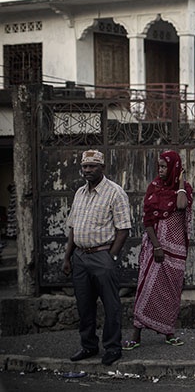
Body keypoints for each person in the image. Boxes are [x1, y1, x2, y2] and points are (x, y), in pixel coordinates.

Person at [62, 149, 131, 366]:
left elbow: (123, 229)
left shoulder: (115, 192)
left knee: (111, 306)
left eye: (92, 166)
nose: (87, 170)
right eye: (84, 166)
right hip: (80, 258)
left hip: (102, 256)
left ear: (102, 167)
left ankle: (112, 348)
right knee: (84, 306)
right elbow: (73, 228)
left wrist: (110, 257)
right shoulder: (80, 193)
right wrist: (67, 258)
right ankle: (88, 346)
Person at [124, 150, 193, 350]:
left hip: (176, 250)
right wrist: (156, 246)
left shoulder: (185, 189)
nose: (161, 170)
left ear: (174, 168)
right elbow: (148, 221)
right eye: (159, 166)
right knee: (145, 289)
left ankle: (169, 332)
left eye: (164, 166)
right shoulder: (154, 188)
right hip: (156, 248)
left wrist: (180, 181)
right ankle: (136, 335)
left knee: (170, 292)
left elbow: (180, 205)